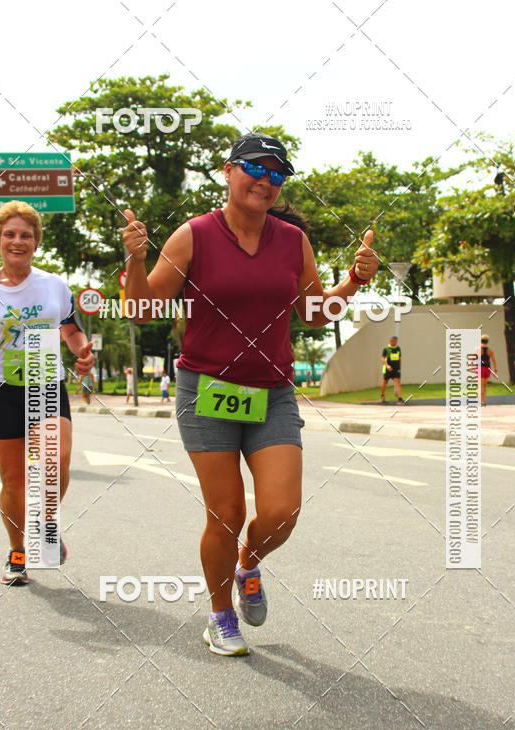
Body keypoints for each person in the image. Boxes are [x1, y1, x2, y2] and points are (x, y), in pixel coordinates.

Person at [122, 132, 379, 656]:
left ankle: (248, 565)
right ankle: (219, 616)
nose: (266, 180)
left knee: (282, 511)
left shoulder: (292, 241)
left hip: (272, 391)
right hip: (207, 390)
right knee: (226, 512)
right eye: (256, 169)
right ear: (228, 171)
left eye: (277, 174)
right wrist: (134, 261)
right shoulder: (192, 236)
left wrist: (353, 280)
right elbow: (143, 309)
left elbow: (312, 313)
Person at [0, 200, 94, 585]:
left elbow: (70, 328)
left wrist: (82, 351)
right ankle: (18, 550)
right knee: (14, 482)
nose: (18, 241)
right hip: (2, 391)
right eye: (10, 234)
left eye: (26, 235)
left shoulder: (54, 285)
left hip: (47, 384)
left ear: (36, 242)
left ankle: (45, 522)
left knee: (56, 462)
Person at [380, 336, 403, 404]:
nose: (395, 342)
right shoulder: (386, 349)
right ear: (390, 341)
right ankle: (382, 395)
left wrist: (400, 366)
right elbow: (382, 358)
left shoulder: (398, 348)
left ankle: (400, 399)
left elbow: (400, 358)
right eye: (394, 341)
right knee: (385, 382)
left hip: (396, 369)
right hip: (388, 369)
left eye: (396, 341)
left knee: (397, 382)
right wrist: (387, 366)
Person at [478, 334, 497, 406]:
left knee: (480, 386)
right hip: (487, 369)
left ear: (481, 341)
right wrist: (495, 370)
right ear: (487, 342)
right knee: (484, 386)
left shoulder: (478, 350)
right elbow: (494, 360)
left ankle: (481, 401)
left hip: (480, 369)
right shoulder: (490, 351)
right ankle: (484, 401)